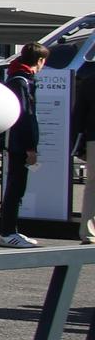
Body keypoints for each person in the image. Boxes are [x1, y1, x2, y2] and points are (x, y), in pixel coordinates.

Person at [0, 42, 49, 248]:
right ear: (40, 60)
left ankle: (12, 230)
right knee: (15, 188)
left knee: (17, 187)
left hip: (18, 142)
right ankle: (8, 232)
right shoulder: (21, 82)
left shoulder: (19, 78)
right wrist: (31, 148)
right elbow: (25, 118)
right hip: (19, 143)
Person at [75, 57, 94, 245]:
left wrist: (78, 145)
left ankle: (89, 233)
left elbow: (79, 115)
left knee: (92, 187)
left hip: (93, 139)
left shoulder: (89, 80)